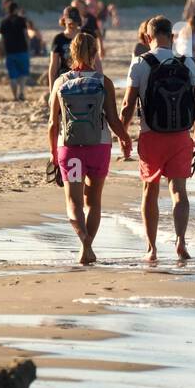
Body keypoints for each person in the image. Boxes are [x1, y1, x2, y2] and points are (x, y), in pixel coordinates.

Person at [120, 15, 195, 263]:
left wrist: (123, 134)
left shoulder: (140, 63)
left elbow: (127, 105)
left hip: (151, 136)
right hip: (181, 135)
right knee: (179, 191)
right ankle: (180, 241)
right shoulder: (186, 62)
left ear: (148, 38)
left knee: (150, 190)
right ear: (172, 37)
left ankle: (152, 248)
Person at [48, 33, 132, 264]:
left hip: (70, 147)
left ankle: (84, 241)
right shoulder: (104, 82)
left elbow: (53, 124)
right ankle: (87, 248)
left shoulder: (61, 82)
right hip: (99, 146)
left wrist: (54, 155)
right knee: (93, 202)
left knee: (73, 203)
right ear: (96, 53)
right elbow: (114, 120)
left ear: (71, 53)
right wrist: (125, 139)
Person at [0, 2, 35, 101]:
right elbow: (26, 35)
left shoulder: (4, 22)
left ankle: (15, 96)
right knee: (23, 74)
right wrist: (28, 47)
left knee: (12, 76)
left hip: (9, 52)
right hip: (22, 50)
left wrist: (2, 50)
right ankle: (21, 92)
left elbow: (1, 39)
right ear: (16, 9)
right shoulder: (22, 20)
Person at [48, 7, 83, 87]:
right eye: (70, 22)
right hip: (65, 77)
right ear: (64, 20)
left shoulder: (85, 37)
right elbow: (53, 65)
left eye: (75, 22)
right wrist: (51, 89)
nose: (73, 25)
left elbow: (96, 61)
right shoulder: (59, 39)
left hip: (84, 75)